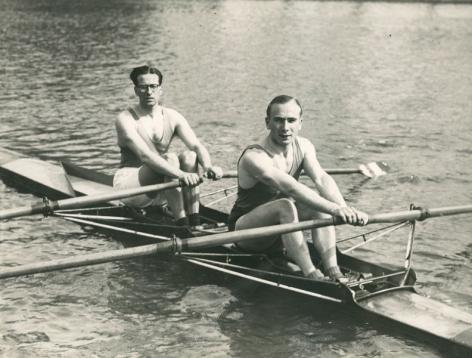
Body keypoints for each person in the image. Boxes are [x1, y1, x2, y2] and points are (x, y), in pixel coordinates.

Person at [228, 95, 368, 281]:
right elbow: (291, 188)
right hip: (247, 232)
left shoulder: (304, 146)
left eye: (291, 120)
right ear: (267, 122)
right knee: (285, 205)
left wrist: (345, 208)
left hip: (281, 227)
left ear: (300, 123)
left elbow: (321, 178)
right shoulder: (254, 157)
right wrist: (336, 209)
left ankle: (333, 271)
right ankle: (311, 274)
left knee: (319, 204)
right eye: (278, 120)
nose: (285, 128)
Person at [113, 65, 222, 227]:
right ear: (136, 90)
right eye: (143, 87)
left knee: (190, 156)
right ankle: (182, 224)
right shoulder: (125, 119)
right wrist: (181, 175)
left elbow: (197, 146)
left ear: (160, 89)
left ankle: (194, 220)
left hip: (163, 184)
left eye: (153, 86)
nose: (149, 92)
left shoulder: (172, 116)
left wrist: (208, 167)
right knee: (170, 158)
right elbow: (144, 156)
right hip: (130, 187)